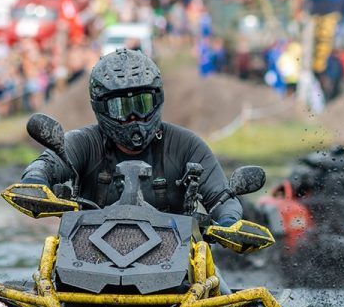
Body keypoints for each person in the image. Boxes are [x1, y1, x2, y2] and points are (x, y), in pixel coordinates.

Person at [21, 49, 242, 227]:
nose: (133, 117)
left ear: (157, 99)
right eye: (121, 107)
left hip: (177, 259)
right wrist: (36, 181)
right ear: (100, 107)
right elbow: (46, 164)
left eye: (141, 104)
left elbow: (222, 197)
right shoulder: (83, 142)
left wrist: (228, 220)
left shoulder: (187, 145)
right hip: (86, 255)